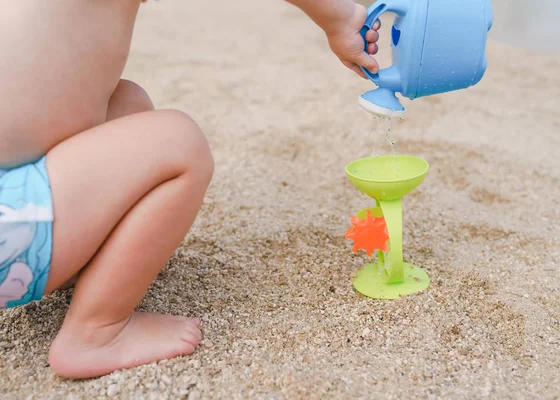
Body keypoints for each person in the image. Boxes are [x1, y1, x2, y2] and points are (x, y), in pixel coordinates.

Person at [0, 0, 381, 379]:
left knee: (128, 106)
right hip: (11, 229)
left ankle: (83, 271)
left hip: (16, 214)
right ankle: (95, 333)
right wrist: (340, 17)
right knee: (179, 143)